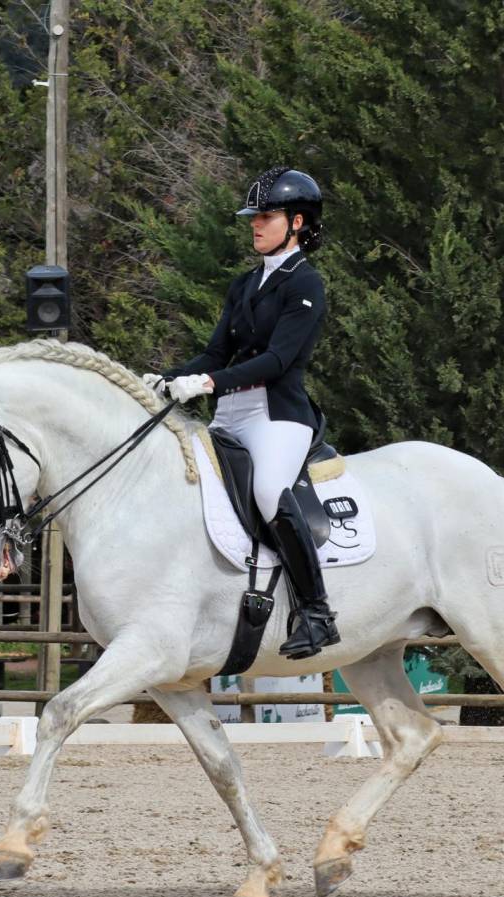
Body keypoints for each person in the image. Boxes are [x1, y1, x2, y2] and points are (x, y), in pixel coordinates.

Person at [145, 166, 339, 660]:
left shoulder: (306, 284)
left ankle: (316, 613)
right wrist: (166, 378)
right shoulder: (246, 284)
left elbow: (277, 360)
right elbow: (215, 354)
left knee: (269, 491)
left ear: (296, 223)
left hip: (277, 416)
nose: (255, 224)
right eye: (254, 216)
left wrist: (207, 384)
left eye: (266, 216)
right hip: (230, 413)